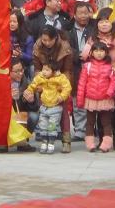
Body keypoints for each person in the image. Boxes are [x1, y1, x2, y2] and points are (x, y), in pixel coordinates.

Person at [33, 25, 75, 153]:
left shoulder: (65, 47)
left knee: (62, 113)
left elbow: (68, 70)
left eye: (48, 40)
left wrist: (62, 87)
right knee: (44, 114)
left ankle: (66, 141)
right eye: (43, 40)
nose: (46, 43)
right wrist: (39, 85)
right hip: (45, 83)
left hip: (60, 81)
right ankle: (45, 140)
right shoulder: (38, 47)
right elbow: (37, 69)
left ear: (55, 38)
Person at [77, 41, 115, 152]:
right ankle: (90, 144)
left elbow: (114, 81)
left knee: (106, 122)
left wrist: (110, 92)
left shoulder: (110, 67)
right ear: (91, 53)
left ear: (106, 53)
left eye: (102, 51)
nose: (99, 53)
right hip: (90, 99)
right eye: (96, 50)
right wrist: (80, 100)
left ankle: (106, 144)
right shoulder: (87, 66)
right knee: (90, 122)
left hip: (105, 99)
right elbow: (82, 83)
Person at [24, 61, 72, 154]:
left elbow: (67, 87)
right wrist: (29, 90)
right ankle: (44, 142)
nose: (44, 72)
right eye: (43, 69)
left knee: (52, 126)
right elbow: (33, 85)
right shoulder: (40, 77)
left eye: (47, 70)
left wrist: (62, 97)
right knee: (43, 125)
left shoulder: (60, 78)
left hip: (55, 108)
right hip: (44, 107)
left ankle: (51, 143)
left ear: (53, 71)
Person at [67, 1, 94, 140]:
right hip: (76, 68)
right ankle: (79, 131)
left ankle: (91, 128)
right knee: (78, 99)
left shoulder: (94, 27)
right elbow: (66, 47)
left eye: (86, 12)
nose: (84, 16)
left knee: (94, 98)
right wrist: (77, 54)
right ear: (75, 14)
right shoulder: (68, 28)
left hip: (93, 67)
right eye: (81, 13)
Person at [9, 9, 34, 74]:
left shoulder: (28, 38)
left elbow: (30, 57)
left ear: (20, 23)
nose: (11, 24)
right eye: (10, 21)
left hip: (22, 66)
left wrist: (20, 54)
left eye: (14, 22)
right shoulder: (4, 34)